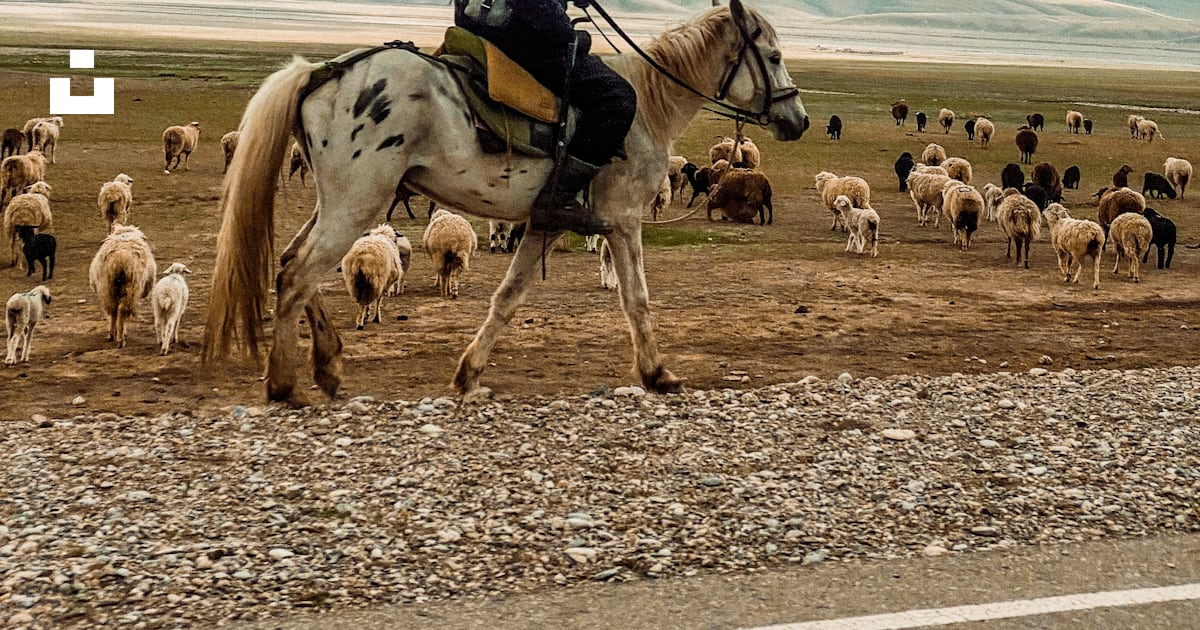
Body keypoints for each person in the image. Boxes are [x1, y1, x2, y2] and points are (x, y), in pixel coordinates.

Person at [455, 0, 636, 235]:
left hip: (478, 25)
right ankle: (557, 199)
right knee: (618, 98)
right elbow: (552, 24)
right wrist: (570, 33)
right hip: (517, 40)